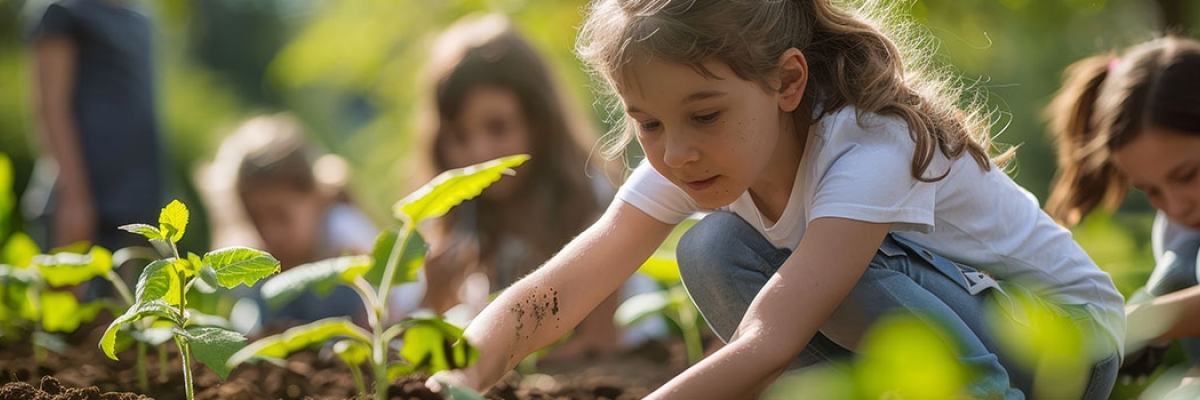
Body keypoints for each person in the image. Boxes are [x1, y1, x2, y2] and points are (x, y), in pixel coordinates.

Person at [427, 0, 1126, 398]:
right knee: (714, 246)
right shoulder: (693, 157)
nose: (675, 152)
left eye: (704, 114)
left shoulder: (866, 145)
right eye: (648, 123)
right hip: (960, 325)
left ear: (787, 83)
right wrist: (461, 374)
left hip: (1064, 348)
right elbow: (565, 287)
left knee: (825, 277)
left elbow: (773, 336)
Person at [413, 14, 659, 359]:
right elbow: (426, 347)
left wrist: (489, 359)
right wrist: (434, 298)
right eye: (460, 136)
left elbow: (600, 343)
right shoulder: (464, 223)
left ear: (540, 123)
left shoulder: (592, 202)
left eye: (498, 127)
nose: (479, 153)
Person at [1044, 36, 1200, 385]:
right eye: (1150, 190)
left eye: (1188, 175)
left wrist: (1141, 321)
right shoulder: (1177, 234)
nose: (1176, 206)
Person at [24, 0, 165, 297]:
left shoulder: (140, 20)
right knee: (68, 319)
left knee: (114, 321)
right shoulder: (64, 14)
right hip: (83, 199)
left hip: (130, 200)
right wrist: (74, 198)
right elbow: (51, 106)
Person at [205, 114, 379, 331]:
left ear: (314, 196)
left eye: (281, 216)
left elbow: (397, 300)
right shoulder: (255, 259)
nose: (270, 233)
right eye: (255, 219)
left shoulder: (342, 232)